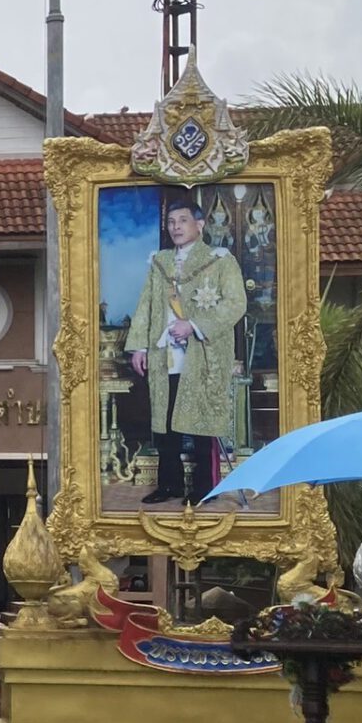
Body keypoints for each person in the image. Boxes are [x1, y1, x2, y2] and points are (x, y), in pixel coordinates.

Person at [127, 191, 244, 504]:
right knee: (165, 424)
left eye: (182, 220)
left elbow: (236, 303)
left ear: (200, 225)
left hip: (202, 355)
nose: (176, 227)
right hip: (164, 354)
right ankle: (170, 485)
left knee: (202, 424)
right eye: (171, 222)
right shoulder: (160, 262)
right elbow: (146, 305)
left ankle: (205, 488)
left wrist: (192, 324)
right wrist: (139, 347)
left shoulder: (220, 260)